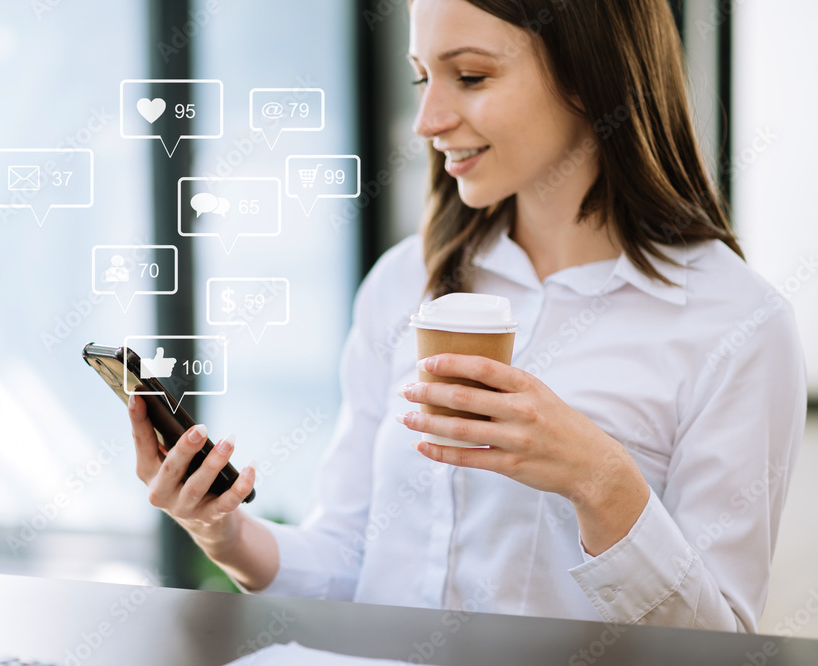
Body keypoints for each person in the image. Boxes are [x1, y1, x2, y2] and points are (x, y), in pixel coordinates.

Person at [128, 0, 807, 631]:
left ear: (588, 74)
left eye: (472, 77)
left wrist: (600, 479)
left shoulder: (737, 326)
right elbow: (350, 560)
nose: (428, 120)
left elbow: (720, 644)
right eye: (423, 77)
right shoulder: (405, 282)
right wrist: (225, 533)